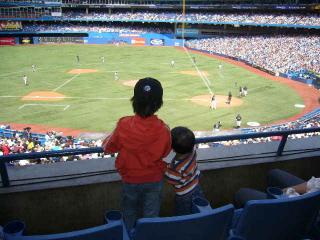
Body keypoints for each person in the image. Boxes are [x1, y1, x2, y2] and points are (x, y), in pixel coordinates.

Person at [102, 77, 171, 231]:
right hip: (154, 179)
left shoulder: (124, 124)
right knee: (151, 216)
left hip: (130, 179)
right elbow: (166, 152)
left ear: (134, 100)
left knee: (129, 211)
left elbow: (108, 147)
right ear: (159, 103)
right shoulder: (164, 130)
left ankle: (128, 233)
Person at [165, 126, 203, 215]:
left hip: (184, 196)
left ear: (172, 148)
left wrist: (165, 167)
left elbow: (171, 180)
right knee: (197, 210)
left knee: (183, 214)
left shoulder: (176, 168)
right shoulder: (193, 152)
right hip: (196, 187)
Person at [234, 169, 318, 209]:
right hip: (312, 198)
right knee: (274, 174)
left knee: (241, 193)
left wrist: (282, 195)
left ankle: (267, 214)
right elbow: (315, 184)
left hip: (298, 210)